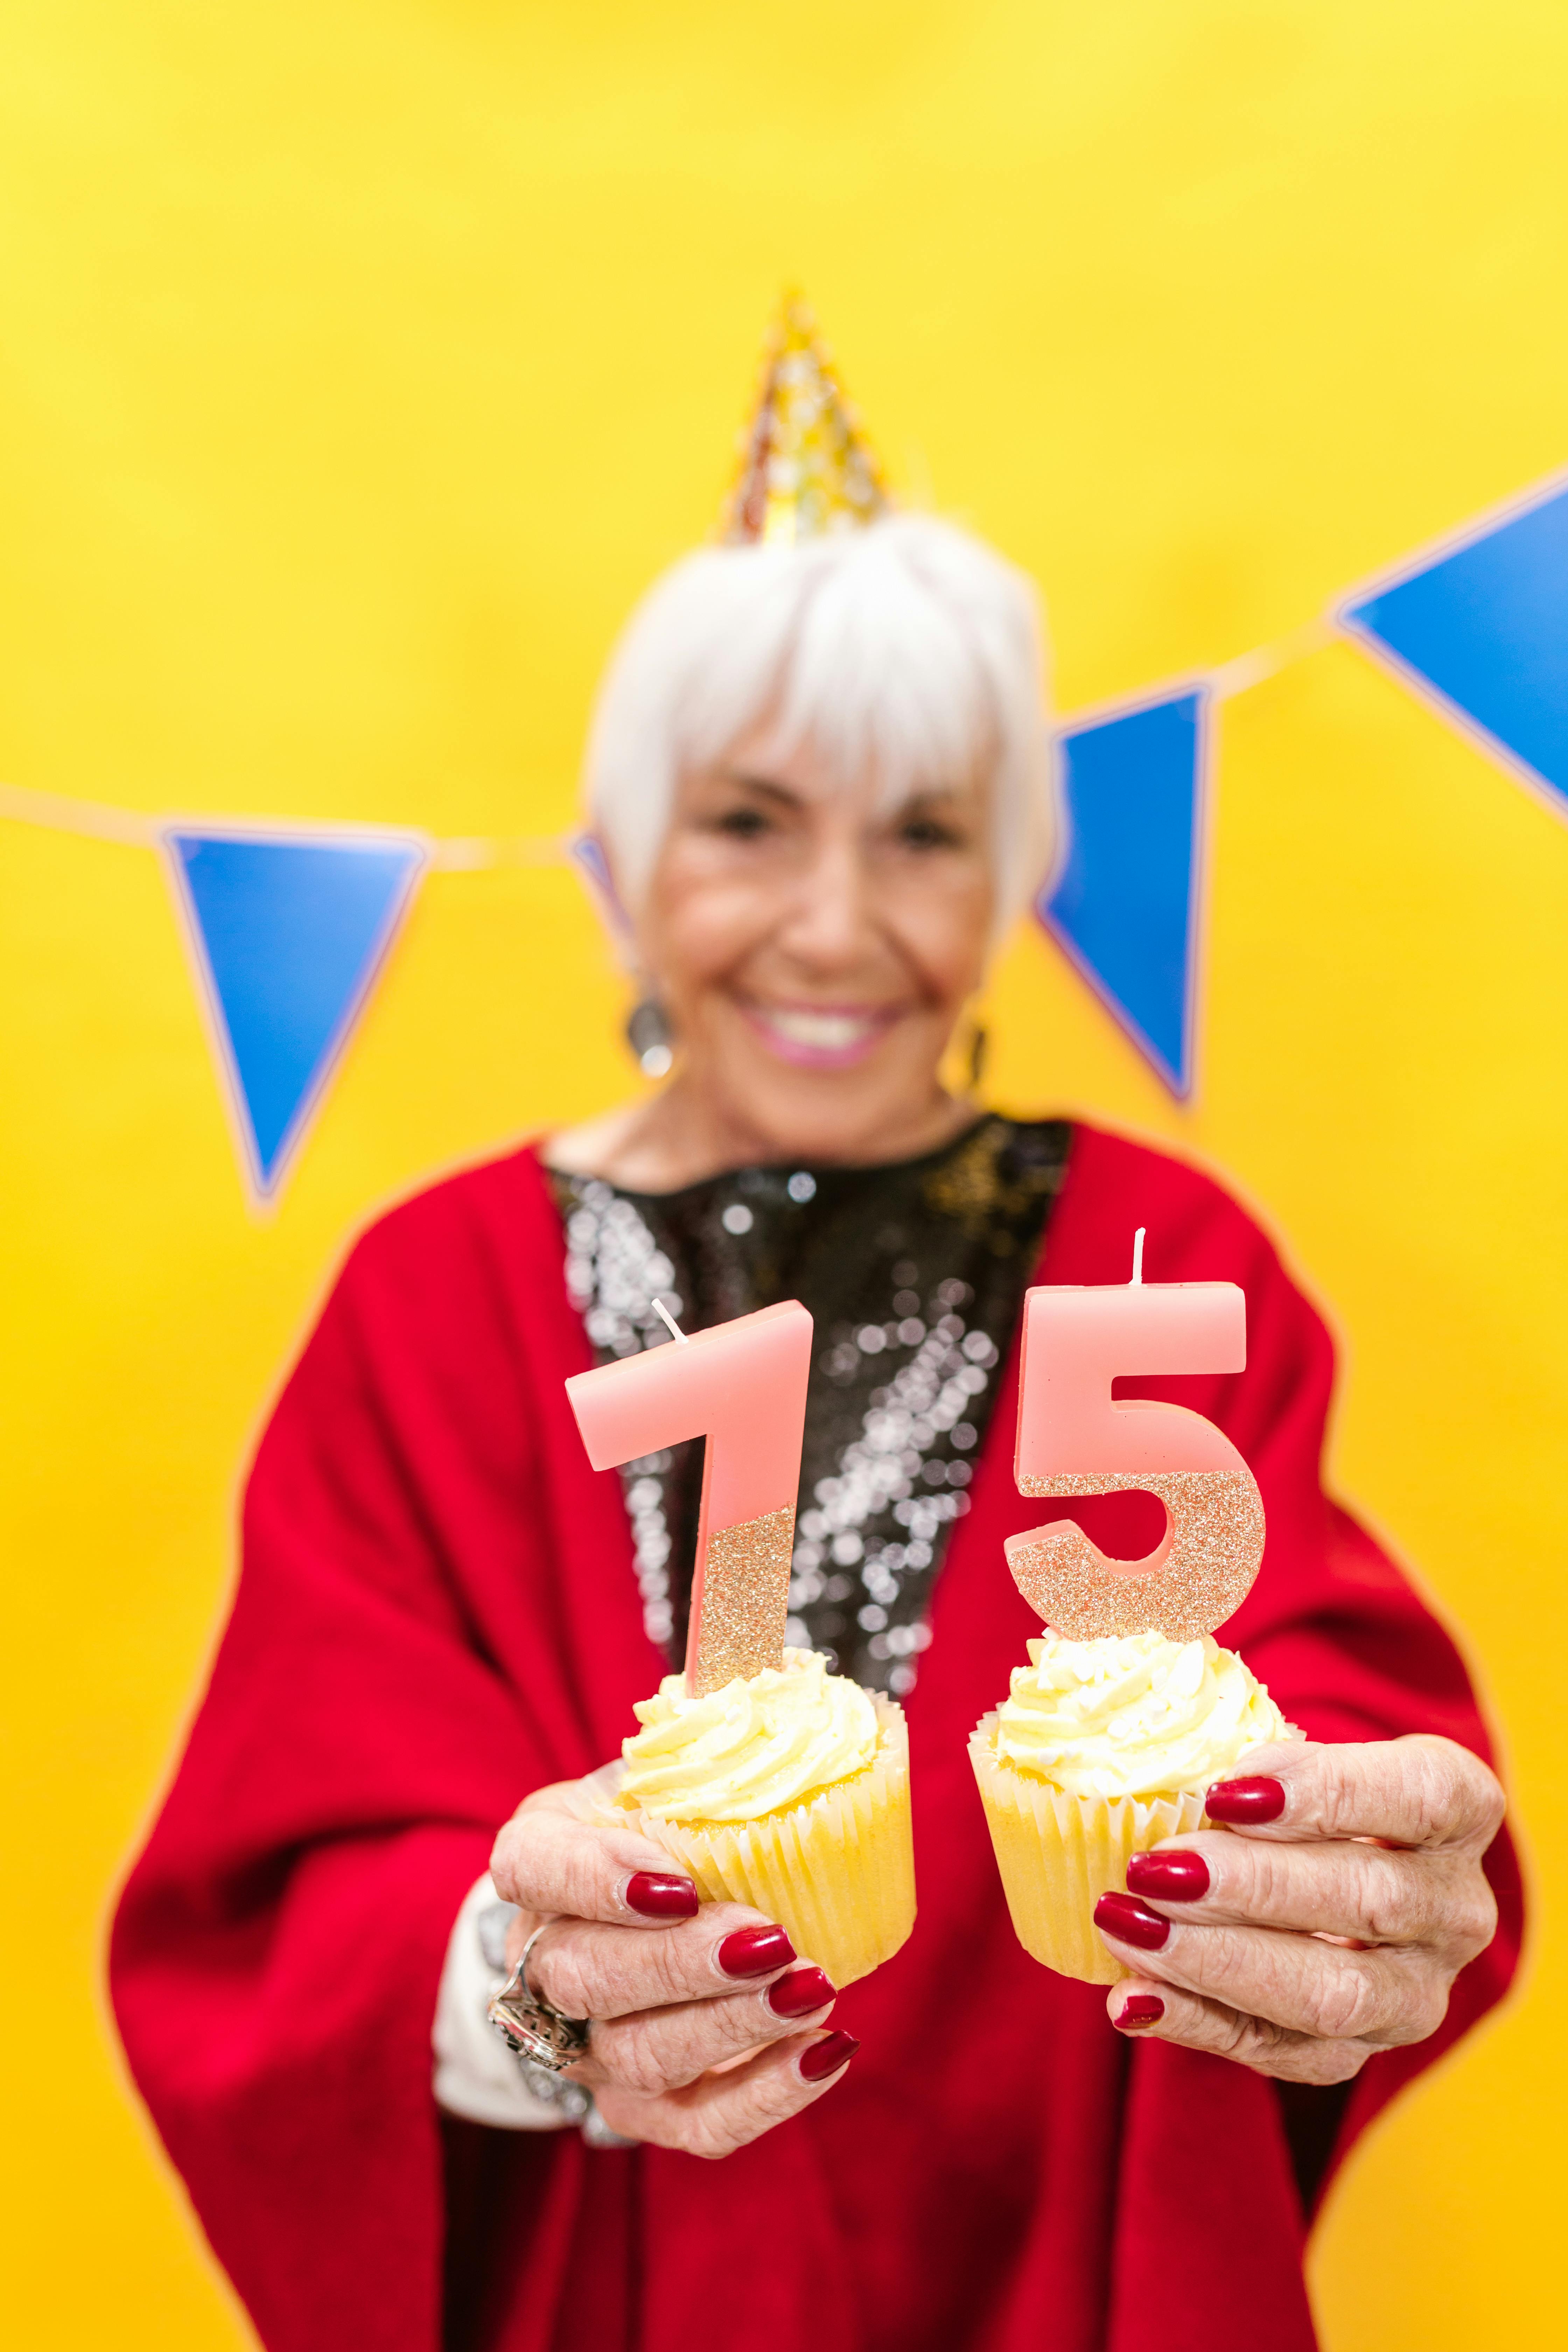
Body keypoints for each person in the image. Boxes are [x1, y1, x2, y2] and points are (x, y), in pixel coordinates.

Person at [112, 304, 1518, 2352]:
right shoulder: (433, 1303)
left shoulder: (1149, 1253)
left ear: (1015, 876)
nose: (841, 921)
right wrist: (523, 1964)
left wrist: (1356, 1883)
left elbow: (1312, 1689)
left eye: (927, 833)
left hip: (1065, 2283)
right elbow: (271, 1908)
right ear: (627, 866)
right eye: (753, 821)